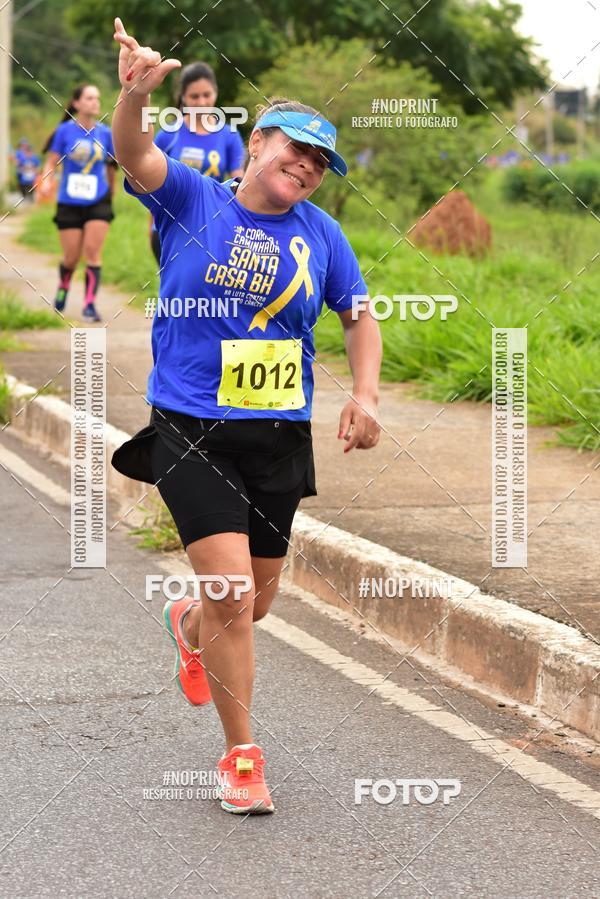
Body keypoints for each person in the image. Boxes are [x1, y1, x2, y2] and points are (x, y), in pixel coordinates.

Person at [110, 17, 382, 816]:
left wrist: (365, 394)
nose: (304, 165)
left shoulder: (323, 235)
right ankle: (241, 756)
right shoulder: (192, 197)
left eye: (319, 162)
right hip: (191, 428)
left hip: (277, 436)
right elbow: (134, 151)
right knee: (235, 593)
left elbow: (359, 315)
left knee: (253, 601)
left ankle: (189, 626)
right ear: (256, 141)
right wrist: (134, 96)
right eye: (293, 146)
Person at [149, 62, 245, 265]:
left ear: (216, 93)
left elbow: (240, 182)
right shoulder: (169, 134)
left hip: (209, 228)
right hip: (169, 227)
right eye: (194, 96)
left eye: (207, 94)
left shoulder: (229, 135)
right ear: (183, 97)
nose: (201, 102)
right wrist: (152, 226)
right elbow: (149, 182)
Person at [40, 85, 118, 322]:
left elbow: (111, 167)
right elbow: (51, 162)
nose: (95, 102)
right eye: (89, 98)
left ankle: (89, 305)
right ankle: (64, 285)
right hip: (69, 201)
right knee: (71, 257)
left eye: (97, 98)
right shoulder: (64, 131)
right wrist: (46, 181)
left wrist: (111, 194)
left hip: (98, 200)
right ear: (77, 103)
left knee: (93, 254)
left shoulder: (105, 133)